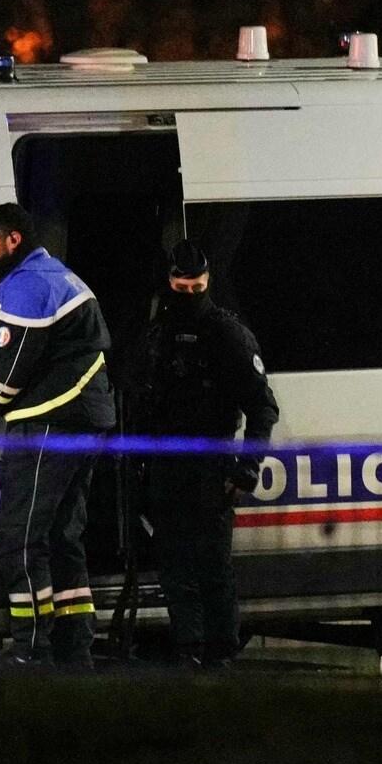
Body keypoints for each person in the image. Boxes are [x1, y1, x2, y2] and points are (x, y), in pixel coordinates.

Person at [0, 203, 115, 669]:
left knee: (20, 539)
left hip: (51, 423)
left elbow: (8, 372)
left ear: (13, 240)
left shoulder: (28, 286)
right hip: (80, 418)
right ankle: (74, 646)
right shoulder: (55, 274)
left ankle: (31, 649)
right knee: (63, 536)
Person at [127, 239, 279, 668]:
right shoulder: (157, 335)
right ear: (170, 280)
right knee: (176, 569)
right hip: (165, 469)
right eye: (182, 286)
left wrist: (246, 470)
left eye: (197, 287)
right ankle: (189, 651)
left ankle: (220, 654)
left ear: (208, 281)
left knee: (212, 569)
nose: (190, 294)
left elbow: (262, 407)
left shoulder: (226, 333)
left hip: (211, 469)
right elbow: (140, 397)